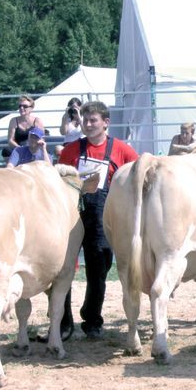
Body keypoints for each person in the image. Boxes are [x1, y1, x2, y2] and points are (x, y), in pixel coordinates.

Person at [58, 101, 138, 339]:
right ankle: (64, 323)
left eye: (93, 120)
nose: (88, 124)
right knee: (64, 270)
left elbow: (136, 177)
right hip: (72, 217)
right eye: (85, 120)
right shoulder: (71, 150)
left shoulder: (122, 150)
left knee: (99, 271)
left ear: (106, 123)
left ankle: (92, 320)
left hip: (104, 220)